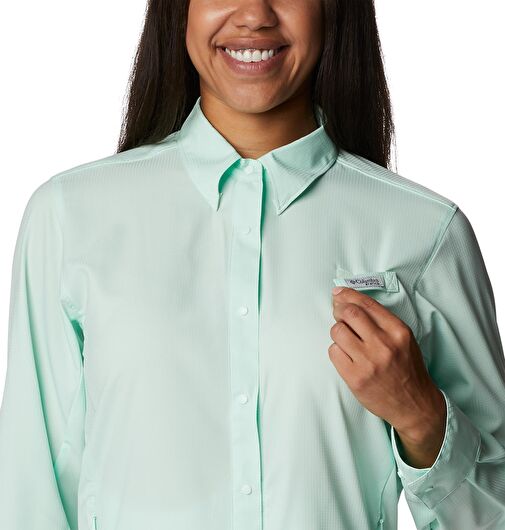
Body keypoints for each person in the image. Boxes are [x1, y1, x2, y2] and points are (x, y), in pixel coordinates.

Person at [1, 1, 504, 529]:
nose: (255, 15)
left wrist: (421, 418)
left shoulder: (425, 232)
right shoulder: (71, 216)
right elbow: (33, 493)